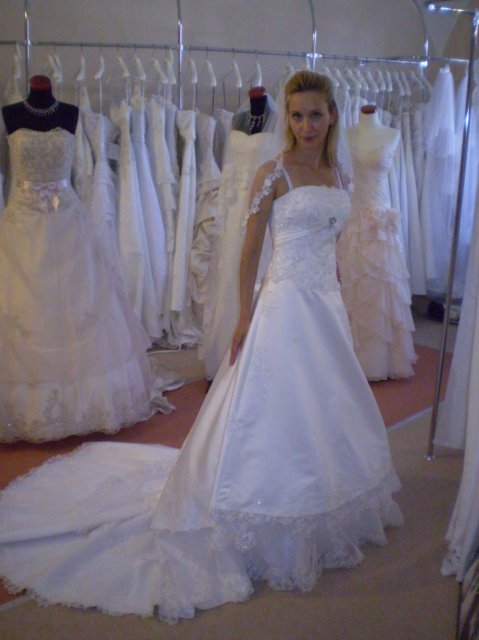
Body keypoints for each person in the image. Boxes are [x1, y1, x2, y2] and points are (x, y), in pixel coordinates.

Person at [0, 71, 402, 622]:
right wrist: (244, 315)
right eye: (297, 115)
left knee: (327, 401)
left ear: (332, 115)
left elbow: (332, 241)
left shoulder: (339, 173)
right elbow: (250, 249)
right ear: (287, 118)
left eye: (315, 114)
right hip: (285, 304)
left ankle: (326, 498)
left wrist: (333, 284)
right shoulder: (274, 171)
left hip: (325, 307)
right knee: (275, 405)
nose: (306, 125)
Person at [0, 76, 178, 442]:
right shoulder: (10, 114)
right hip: (22, 224)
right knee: (24, 309)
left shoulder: (71, 112)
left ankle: (82, 404)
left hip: (66, 221)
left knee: (78, 306)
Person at [337, 104, 417, 380]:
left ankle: (380, 360)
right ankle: (349, 356)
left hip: (381, 221)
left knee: (381, 288)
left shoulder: (392, 134)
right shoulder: (345, 134)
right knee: (353, 284)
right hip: (354, 217)